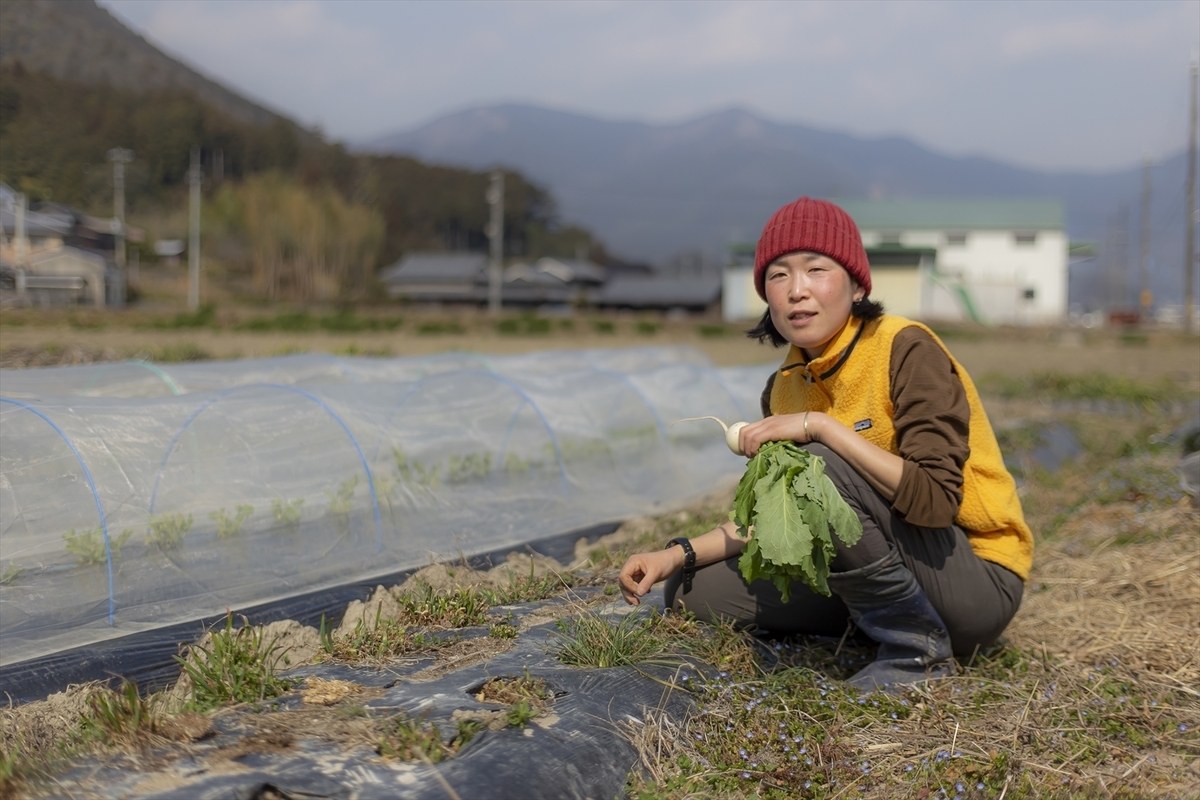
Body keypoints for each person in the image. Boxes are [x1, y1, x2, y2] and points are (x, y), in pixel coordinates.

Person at [618, 197, 1031, 691]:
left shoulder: (906, 349)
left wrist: (823, 427)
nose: (797, 291)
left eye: (817, 269)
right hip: (872, 565)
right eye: (778, 275)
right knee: (694, 590)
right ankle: (876, 618)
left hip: (970, 578)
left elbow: (937, 503)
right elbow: (774, 513)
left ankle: (915, 649)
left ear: (857, 284)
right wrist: (677, 554)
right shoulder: (784, 385)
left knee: (817, 465)